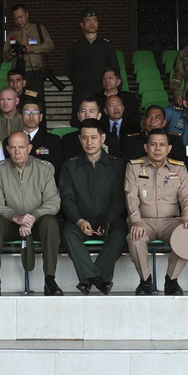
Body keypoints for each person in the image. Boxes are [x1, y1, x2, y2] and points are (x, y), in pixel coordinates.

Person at [0, 131, 63, 296]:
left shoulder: (45, 168)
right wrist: (16, 217)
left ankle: (50, 280)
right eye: (13, 148)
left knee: (50, 222)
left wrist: (32, 217)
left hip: (38, 222)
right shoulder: (0, 170)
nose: (17, 152)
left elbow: (53, 202)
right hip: (11, 223)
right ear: (7, 149)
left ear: (30, 148)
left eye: (21, 147)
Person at [125, 128, 188, 296]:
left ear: (169, 149)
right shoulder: (134, 167)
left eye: (162, 145)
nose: (157, 149)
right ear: (146, 147)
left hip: (171, 221)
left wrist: (187, 217)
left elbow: (187, 196)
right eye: (153, 144)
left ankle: (171, 280)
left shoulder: (178, 168)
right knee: (135, 239)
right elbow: (131, 197)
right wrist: (136, 221)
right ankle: (145, 282)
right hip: (144, 221)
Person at [59, 119, 128, 295]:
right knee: (67, 232)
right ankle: (100, 279)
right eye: (84, 138)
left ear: (102, 138)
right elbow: (66, 198)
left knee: (121, 234)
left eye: (93, 137)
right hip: (81, 220)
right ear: (79, 139)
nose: (89, 142)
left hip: (110, 220)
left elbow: (120, 198)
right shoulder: (70, 165)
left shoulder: (117, 164)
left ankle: (89, 278)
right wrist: (79, 220)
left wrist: (107, 220)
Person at [65, 10, 118, 123]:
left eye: (94, 20)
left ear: (98, 23)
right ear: (82, 25)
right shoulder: (75, 46)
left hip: (101, 91)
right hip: (81, 91)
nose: (92, 23)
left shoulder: (106, 45)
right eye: (88, 21)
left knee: (103, 122)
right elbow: (68, 69)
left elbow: (114, 68)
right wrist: (80, 82)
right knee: (80, 123)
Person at [2, 4, 54, 114]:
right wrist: (11, 53)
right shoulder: (12, 34)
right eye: (16, 18)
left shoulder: (38, 29)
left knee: (38, 104)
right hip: (19, 75)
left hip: (35, 74)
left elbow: (50, 46)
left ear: (27, 15)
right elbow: (4, 57)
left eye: (21, 17)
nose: (18, 20)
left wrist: (33, 48)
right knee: (19, 105)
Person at [20, 100, 64, 176]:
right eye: (27, 113)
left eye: (35, 113)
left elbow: (57, 168)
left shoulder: (53, 140)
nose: (31, 116)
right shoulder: (10, 141)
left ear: (40, 117)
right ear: (20, 117)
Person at [99, 68, 141, 135]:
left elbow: (134, 121)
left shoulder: (129, 98)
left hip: (127, 136)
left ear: (118, 82)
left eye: (110, 78)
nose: (107, 80)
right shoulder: (96, 99)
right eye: (104, 78)